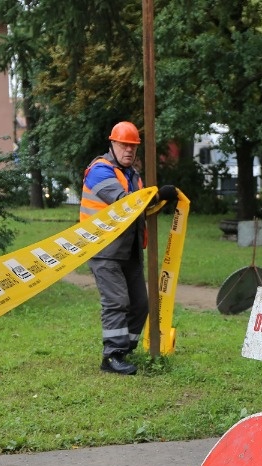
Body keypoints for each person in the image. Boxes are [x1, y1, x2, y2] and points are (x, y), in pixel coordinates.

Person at [79, 121, 176, 375]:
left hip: (130, 249)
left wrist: (162, 200)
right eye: (124, 145)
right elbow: (126, 204)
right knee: (116, 301)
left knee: (141, 304)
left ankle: (126, 350)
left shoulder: (133, 173)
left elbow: (143, 208)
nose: (129, 150)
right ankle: (111, 356)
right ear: (112, 143)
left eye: (133, 146)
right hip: (104, 250)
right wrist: (157, 195)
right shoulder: (99, 171)